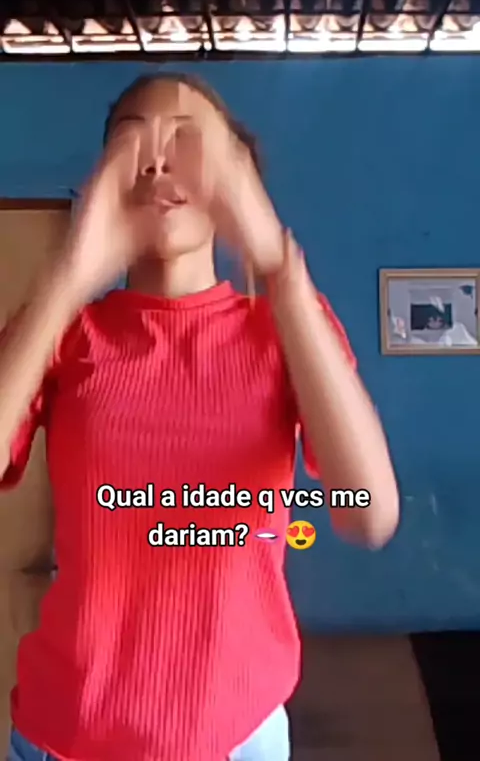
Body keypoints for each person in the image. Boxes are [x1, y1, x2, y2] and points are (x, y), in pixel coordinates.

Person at [0, 72, 399, 761]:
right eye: (133, 145)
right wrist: (66, 281)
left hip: (239, 733)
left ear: (235, 180)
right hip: (66, 734)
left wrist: (278, 268)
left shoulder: (284, 328)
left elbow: (367, 515)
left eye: (188, 143)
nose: (158, 163)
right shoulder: (65, 333)